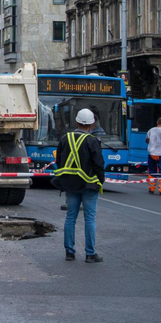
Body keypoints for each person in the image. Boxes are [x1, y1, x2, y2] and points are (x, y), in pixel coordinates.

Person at [51, 108, 105, 263]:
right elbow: (99, 164)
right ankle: (90, 254)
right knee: (89, 219)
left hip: (70, 185)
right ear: (92, 124)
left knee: (70, 218)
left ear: (76, 121)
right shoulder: (92, 141)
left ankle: (69, 252)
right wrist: (100, 181)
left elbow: (59, 162)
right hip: (89, 185)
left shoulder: (64, 138)